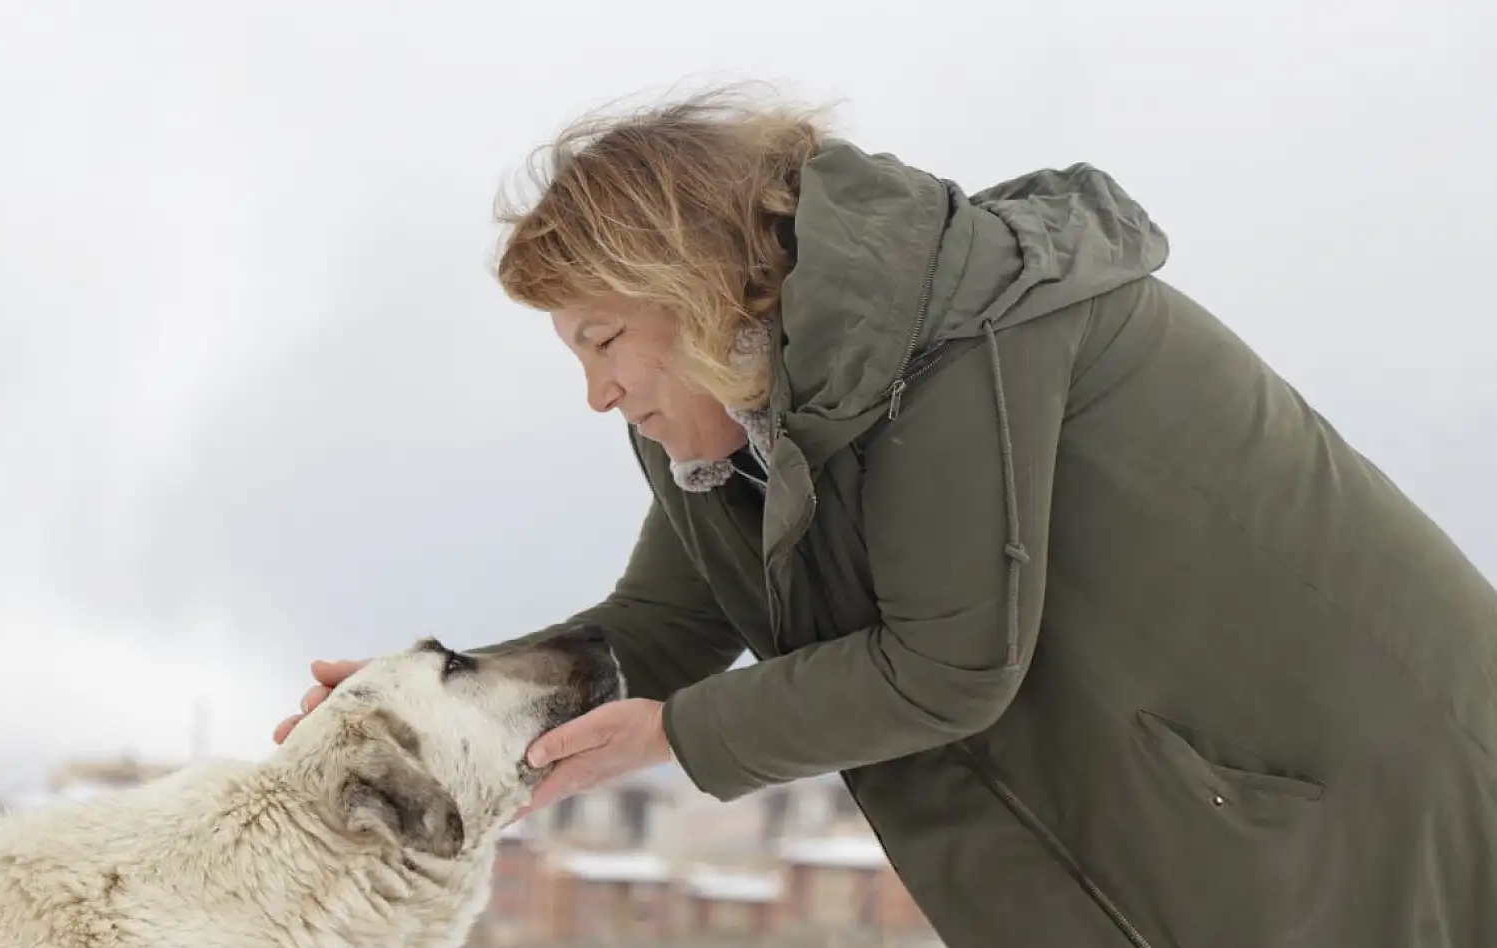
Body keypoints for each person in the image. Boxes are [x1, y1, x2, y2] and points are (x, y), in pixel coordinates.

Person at [271, 88, 1497, 947]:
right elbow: (656, 631)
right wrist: (438, 713)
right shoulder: (738, 431)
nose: (596, 393)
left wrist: (674, 740)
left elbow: (948, 661)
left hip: (1352, 804)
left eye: (600, 339)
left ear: (686, 290)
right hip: (1208, 836)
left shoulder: (966, 333)